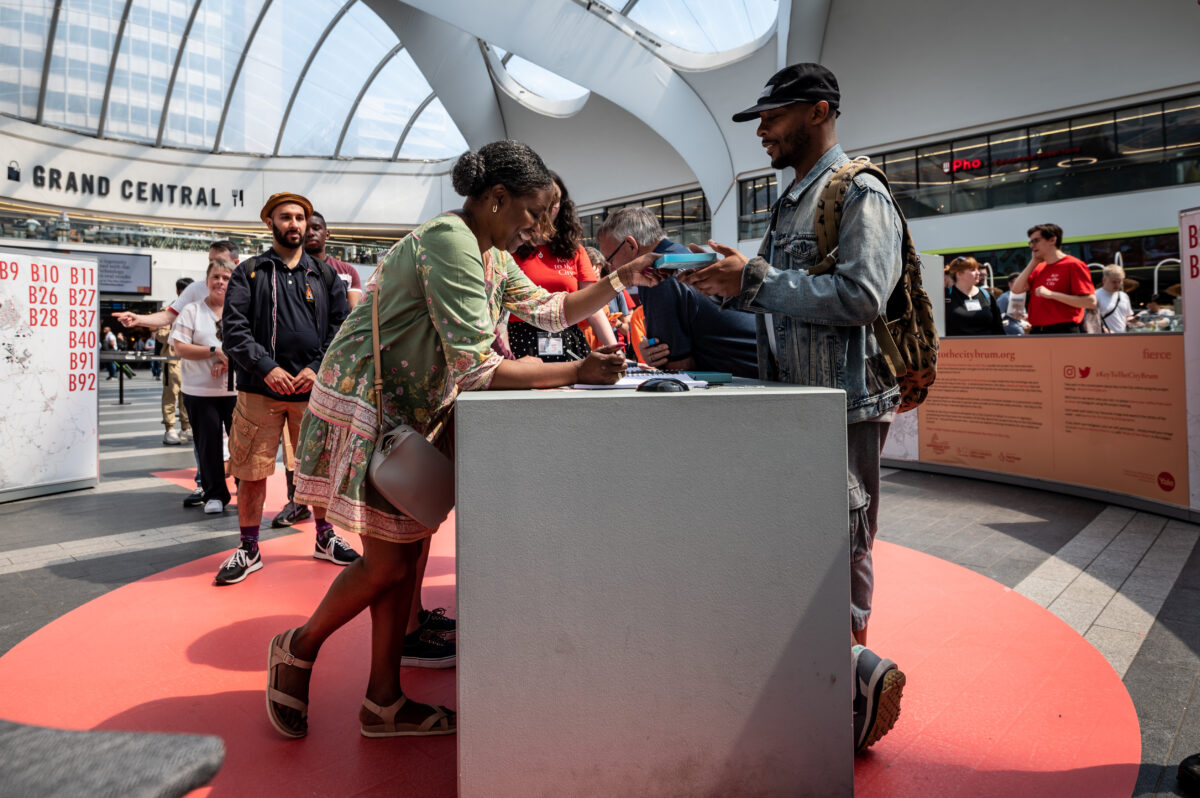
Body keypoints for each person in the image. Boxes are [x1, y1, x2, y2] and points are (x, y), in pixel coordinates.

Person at [263, 140, 663, 740]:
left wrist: (616, 280)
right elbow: (479, 370)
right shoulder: (452, 242)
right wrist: (578, 371)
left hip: (411, 414)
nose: (542, 225)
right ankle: (297, 646)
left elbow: (550, 312)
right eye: (535, 210)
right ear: (497, 197)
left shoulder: (491, 251)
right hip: (374, 411)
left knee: (405, 555)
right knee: (387, 565)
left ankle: (383, 701)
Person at [677, 62, 905, 753]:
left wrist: (760, 279)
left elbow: (865, 296)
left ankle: (854, 685)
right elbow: (786, 295)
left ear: (819, 111)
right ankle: (829, 674)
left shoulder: (859, 191)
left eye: (772, 118)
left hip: (844, 403)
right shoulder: (789, 201)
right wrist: (737, 281)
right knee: (810, 542)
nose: (763, 132)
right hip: (797, 403)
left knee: (846, 537)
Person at [216, 193, 358, 586]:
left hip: (310, 393)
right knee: (251, 470)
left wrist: (317, 368)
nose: (294, 224)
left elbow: (340, 329)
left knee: (317, 470)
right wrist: (267, 367)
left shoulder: (325, 275)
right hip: (259, 391)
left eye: (300, 217)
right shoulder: (250, 272)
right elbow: (234, 330)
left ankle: (325, 537)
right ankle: (249, 547)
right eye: (285, 217)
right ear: (269, 223)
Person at [268, 210, 368, 529]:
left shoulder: (345, 272)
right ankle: (296, 501)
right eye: (306, 227)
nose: (310, 232)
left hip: (334, 369)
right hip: (295, 373)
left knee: (329, 440)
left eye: (317, 228)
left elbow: (351, 316)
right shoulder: (286, 269)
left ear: (328, 234)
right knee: (293, 442)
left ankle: (329, 509)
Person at [598, 207, 758, 376]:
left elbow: (678, 368)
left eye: (610, 260)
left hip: (746, 383)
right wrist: (654, 350)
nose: (611, 268)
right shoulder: (681, 255)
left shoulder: (658, 276)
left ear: (631, 245)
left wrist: (658, 358)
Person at [507, 172, 617, 361]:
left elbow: (593, 307)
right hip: (521, 339)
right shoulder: (509, 248)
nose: (548, 208)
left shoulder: (575, 250)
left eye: (554, 201)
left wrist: (616, 350)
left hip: (568, 339)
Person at [170, 259, 236, 514]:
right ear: (207, 281)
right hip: (200, 392)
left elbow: (250, 346)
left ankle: (247, 487)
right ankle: (215, 493)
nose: (221, 282)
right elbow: (180, 347)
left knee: (241, 444)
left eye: (226, 278)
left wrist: (228, 359)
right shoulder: (192, 310)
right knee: (207, 444)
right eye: (216, 277)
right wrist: (213, 351)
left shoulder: (240, 311)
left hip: (236, 391)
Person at [1010, 223, 1096, 334]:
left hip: (1063, 331)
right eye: (1030, 242)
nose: (1031, 246)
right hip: (1037, 330)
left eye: (1036, 241)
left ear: (1052, 240)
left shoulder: (1073, 264)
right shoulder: (1039, 267)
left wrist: (1051, 294)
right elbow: (1016, 289)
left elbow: (1090, 302)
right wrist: (1033, 261)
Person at [944, 256, 1003, 336]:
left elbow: (998, 328)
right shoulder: (945, 296)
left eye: (977, 269)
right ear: (959, 274)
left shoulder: (987, 295)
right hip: (955, 347)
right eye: (972, 270)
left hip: (986, 347)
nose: (978, 273)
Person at [1094, 264, 1132, 333]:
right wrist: (1103, 330)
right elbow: (1090, 320)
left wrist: (1132, 319)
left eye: (1120, 281)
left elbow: (1127, 316)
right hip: (1103, 338)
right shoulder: (1095, 295)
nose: (1117, 285)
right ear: (1104, 280)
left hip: (1123, 337)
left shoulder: (1124, 296)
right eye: (1114, 282)